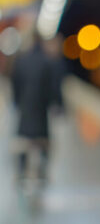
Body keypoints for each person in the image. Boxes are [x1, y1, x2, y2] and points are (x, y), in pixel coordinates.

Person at [11, 32, 53, 182]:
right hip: (41, 108)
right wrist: (53, 104)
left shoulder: (21, 61)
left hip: (25, 107)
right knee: (43, 140)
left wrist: (17, 101)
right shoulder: (46, 61)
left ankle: (22, 170)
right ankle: (42, 169)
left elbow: (15, 83)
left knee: (23, 140)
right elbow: (51, 87)